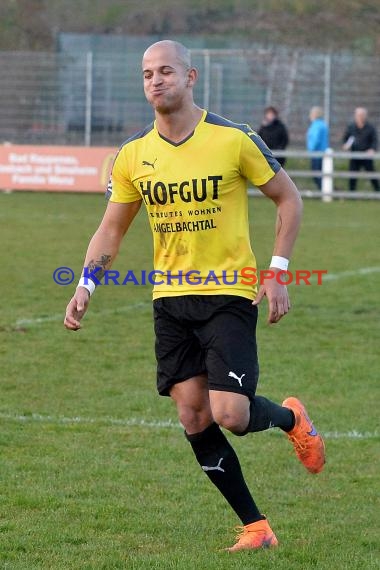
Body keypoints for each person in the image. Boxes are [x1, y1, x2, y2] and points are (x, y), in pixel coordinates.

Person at [64, 41, 325, 552]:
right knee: (193, 415)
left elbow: (288, 198)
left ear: (191, 77)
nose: (155, 81)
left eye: (165, 71)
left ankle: (292, 418)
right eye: (146, 74)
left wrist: (277, 271)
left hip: (228, 294)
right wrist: (86, 282)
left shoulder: (233, 139)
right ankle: (256, 527)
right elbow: (111, 229)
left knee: (231, 412)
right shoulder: (134, 155)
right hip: (170, 300)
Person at [342, 107, 379, 192]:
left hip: (366, 156)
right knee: (352, 175)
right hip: (355, 155)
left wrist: (372, 149)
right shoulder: (351, 127)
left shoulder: (370, 128)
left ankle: (378, 191)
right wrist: (345, 145)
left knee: (372, 174)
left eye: (362, 115)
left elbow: (374, 140)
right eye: (358, 115)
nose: (360, 117)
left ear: (365, 116)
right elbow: (345, 138)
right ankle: (351, 194)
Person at [306, 106, 329, 190]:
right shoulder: (322, 124)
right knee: (320, 174)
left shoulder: (317, 125)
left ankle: (322, 190)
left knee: (316, 174)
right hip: (321, 152)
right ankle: (323, 190)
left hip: (317, 153)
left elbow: (315, 139)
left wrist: (311, 150)